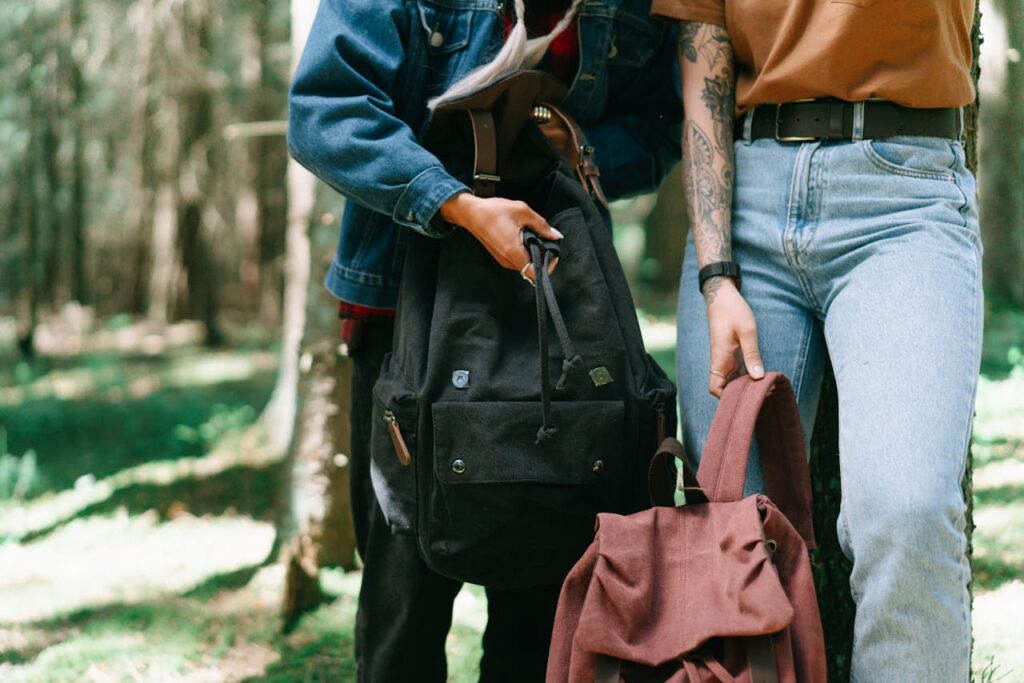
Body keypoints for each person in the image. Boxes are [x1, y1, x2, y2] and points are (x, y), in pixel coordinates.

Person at [288, 1, 682, 679]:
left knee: (540, 610)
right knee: (403, 609)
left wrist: (572, 150)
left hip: (557, 320)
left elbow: (661, 123)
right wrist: (460, 204)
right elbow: (328, 107)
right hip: (403, 318)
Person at [654, 0, 981, 680]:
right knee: (730, 530)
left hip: (905, 194)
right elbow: (703, 54)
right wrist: (718, 276)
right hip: (746, 197)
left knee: (908, 509)